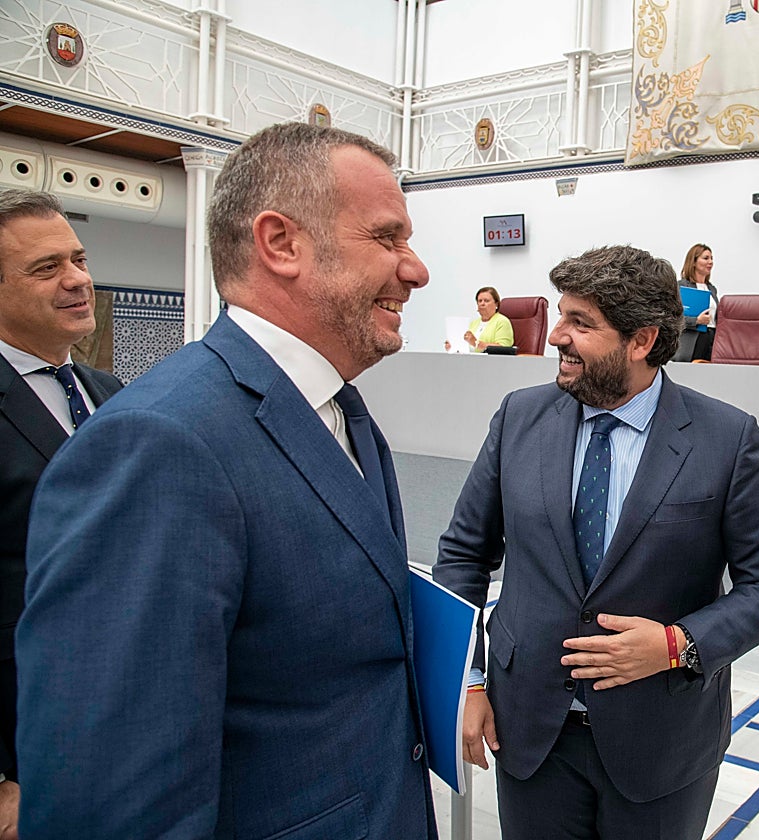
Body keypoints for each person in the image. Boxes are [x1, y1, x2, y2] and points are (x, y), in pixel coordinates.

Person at [16, 123, 437, 839]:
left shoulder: (345, 412)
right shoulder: (158, 442)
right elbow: (116, 803)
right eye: (388, 237)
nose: (417, 269)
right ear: (281, 244)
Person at [434, 244, 759, 839]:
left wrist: (678, 644)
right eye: (561, 315)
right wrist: (466, 680)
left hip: (660, 745)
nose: (557, 336)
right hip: (530, 733)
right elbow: (463, 556)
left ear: (641, 340)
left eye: (581, 323)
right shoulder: (518, 418)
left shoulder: (725, 438)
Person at [0, 189, 122, 840]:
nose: (77, 279)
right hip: (27, 747)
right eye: (46, 268)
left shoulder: (112, 396)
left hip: (126, 725)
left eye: (77, 259)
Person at [673, 242, 718, 362]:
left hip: (712, 338)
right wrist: (696, 321)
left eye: (712, 258)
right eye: (706, 258)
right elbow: (674, 317)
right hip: (693, 339)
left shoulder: (712, 289)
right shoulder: (681, 286)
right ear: (693, 262)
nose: (710, 262)